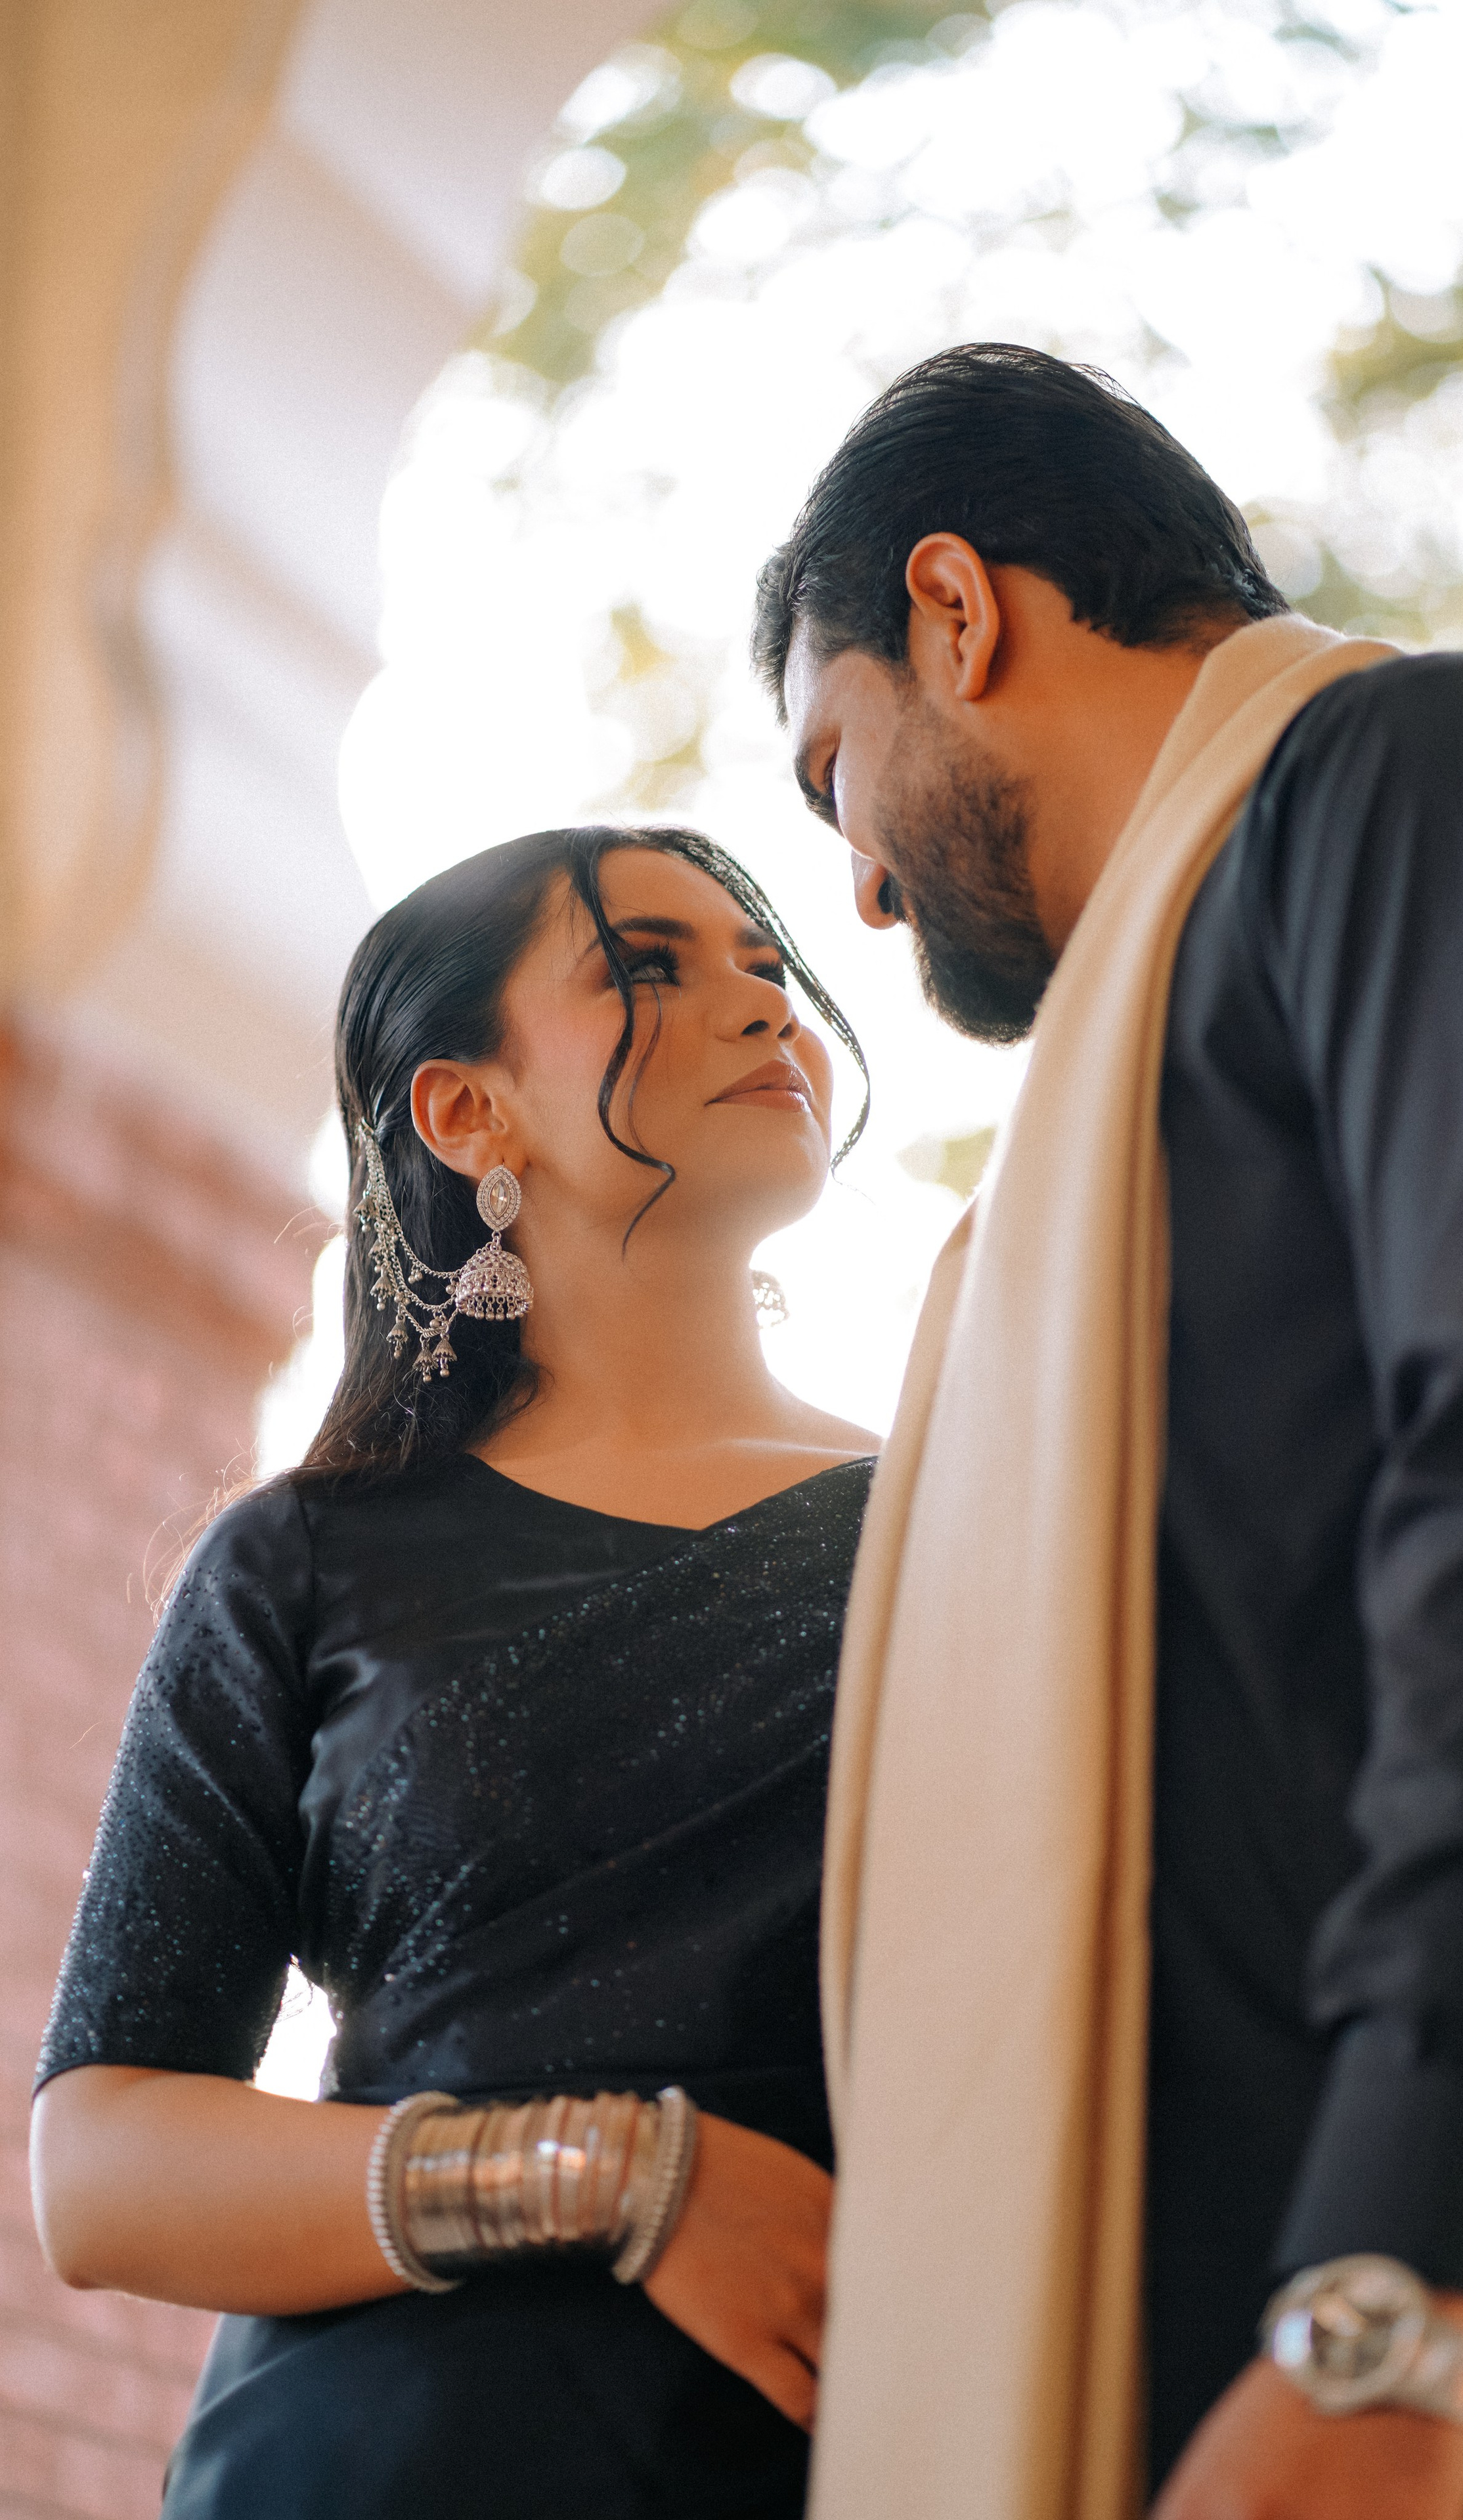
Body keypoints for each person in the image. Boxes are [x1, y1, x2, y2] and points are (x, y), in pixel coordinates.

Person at [751, 343, 1463, 2520]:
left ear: (955, 612)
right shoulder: (1092, 1149)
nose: (860, 891)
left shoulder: (1425, 777)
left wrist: (1397, 2286)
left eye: (831, 770)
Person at [30, 823, 879, 2519]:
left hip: (845, 2443)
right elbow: (104, 2169)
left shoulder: (963, 1521)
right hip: (372, 2459)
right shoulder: (305, 1558)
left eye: (767, 965)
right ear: (467, 1112)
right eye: (649, 968)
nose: (761, 1007)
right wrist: (621, 2175)